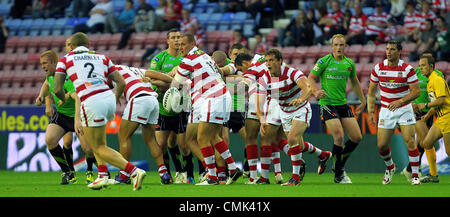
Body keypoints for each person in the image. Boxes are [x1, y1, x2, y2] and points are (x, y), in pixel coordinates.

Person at [53, 32, 146, 191]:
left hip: (90, 100)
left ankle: (134, 171)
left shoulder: (65, 60)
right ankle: (102, 176)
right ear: (88, 45)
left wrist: (63, 99)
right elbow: (120, 82)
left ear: (72, 47)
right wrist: (116, 97)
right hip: (108, 98)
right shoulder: (102, 57)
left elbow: (56, 89)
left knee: (97, 147)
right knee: (99, 143)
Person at [173, 33, 243, 185]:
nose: (180, 47)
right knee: (213, 137)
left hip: (213, 98)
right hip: (223, 96)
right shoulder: (203, 55)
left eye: (183, 44)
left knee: (201, 138)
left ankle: (211, 176)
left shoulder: (187, 61)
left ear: (192, 44)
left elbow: (175, 84)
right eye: (178, 45)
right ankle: (232, 168)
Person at [260, 48, 332, 186]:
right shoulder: (265, 78)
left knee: (291, 139)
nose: (268, 64)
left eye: (271, 60)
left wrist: (300, 99)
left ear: (279, 61)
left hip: (300, 109)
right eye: (267, 61)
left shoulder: (292, 72)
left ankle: (295, 178)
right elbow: (260, 98)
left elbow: (307, 88)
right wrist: (261, 117)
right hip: (284, 112)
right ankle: (323, 155)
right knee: (298, 145)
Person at [308, 34, 366, 184]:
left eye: (341, 45)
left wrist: (363, 100)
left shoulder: (349, 63)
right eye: (336, 45)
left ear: (345, 46)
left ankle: (337, 164)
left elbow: (354, 82)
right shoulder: (324, 61)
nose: (339, 48)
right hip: (327, 103)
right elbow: (311, 78)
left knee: (357, 137)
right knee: (339, 136)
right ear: (332, 47)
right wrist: (315, 92)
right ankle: (339, 173)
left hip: (342, 104)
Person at [35, 49, 97, 185]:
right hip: (62, 115)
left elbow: (77, 98)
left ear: (53, 63)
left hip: (78, 114)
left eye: (45, 63)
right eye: (41, 64)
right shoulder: (50, 76)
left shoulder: (64, 77)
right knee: (50, 139)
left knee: (88, 149)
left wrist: (77, 120)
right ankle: (67, 172)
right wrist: (43, 99)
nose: (42, 66)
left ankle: (91, 170)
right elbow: (46, 85)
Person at [367, 40, 422, 185]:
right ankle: (390, 167)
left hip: (404, 109)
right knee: (381, 146)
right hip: (386, 110)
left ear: (399, 52)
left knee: (410, 141)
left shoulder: (407, 69)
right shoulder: (378, 68)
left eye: (392, 49)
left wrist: (400, 101)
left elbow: (416, 92)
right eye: (387, 49)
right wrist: (371, 111)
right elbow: (371, 92)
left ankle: (415, 175)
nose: (389, 52)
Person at [112, 65, 172, 185]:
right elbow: (159, 75)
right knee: (150, 139)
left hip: (139, 99)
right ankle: (164, 172)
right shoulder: (133, 69)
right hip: (152, 100)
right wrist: (175, 81)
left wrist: (117, 97)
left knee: (124, 136)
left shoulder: (111, 70)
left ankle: (124, 174)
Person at [148, 29, 194, 184]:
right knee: (162, 145)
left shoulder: (187, 58)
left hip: (182, 107)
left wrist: (167, 78)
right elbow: (150, 78)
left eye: (179, 37)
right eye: (173, 38)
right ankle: (167, 176)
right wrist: (170, 76)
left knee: (183, 145)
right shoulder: (159, 58)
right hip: (162, 107)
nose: (176, 40)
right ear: (167, 41)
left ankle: (189, 174)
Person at [415, 54, 450, 183]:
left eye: (423, 65)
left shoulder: (437, 79)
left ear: (431, 66)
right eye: (420, 66)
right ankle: (433, 175)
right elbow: (436, 102)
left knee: (449, 151)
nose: (421, 68)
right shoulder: (430, 81)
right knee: (426, 143)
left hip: (448, 116)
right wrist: (428, 115)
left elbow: (441, 100)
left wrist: (424, 105)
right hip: (441, 118)